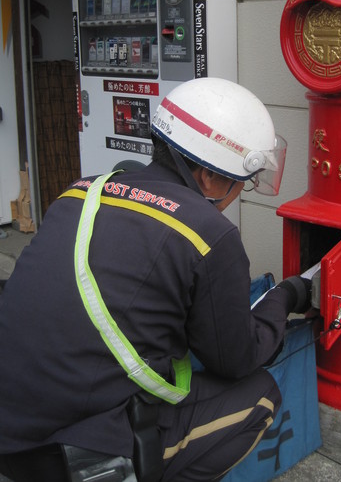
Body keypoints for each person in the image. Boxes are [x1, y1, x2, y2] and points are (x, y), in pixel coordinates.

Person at [0, 77, 311, 482]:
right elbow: (236, 359)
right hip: (57, 454)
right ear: (210, 178)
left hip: (11, 415)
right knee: (260, 396)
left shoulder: (80, 193)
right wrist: (285, 296)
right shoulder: (206, 233)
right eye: (241, 181)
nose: (239, 193)